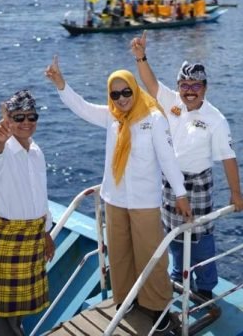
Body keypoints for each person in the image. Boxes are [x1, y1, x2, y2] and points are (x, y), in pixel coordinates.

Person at [44, 56, 192, 333]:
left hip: (145, 202)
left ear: (135, 89)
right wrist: (61, 83)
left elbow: (167, 159)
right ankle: (127, 300)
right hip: (114, 200)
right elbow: (83, 108)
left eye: (126, 92)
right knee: (120, 254)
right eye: (115, 93)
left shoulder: (154, 118)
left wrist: (181, 193)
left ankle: (158, 310)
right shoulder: (113, 116)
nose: (121, 98)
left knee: (152, 257)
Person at [130, 31, 243, 299]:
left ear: (205, 88)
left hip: (198, 184)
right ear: (178, 86)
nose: (189, 91)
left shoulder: (216, 119)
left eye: (195, 86)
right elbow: (150, 83)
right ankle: (177, 277)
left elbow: (228, 158)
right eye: (184, 85)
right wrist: (140, 57)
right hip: (172, 182)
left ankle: (205, 288)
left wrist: (236, 193)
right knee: (174, 233)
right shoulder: (172, 102)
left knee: (201, 237)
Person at [0, 89, 55, 336]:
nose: (26, 123)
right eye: (18, 117)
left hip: (31, 238)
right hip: (3, 241)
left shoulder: (36, 151)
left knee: (16, 313)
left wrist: (45, 233)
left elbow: (38, 196)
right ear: (7, 118)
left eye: (31, 117)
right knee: (2, 315)